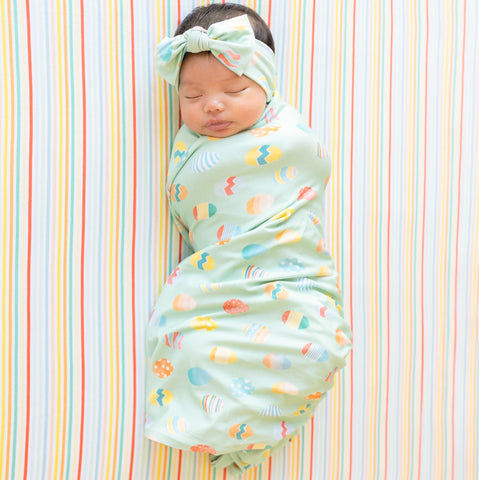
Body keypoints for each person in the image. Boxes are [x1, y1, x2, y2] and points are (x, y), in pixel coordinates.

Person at [146, 3, 352, 474]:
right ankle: (227, 430)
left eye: (234, 89)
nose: (213, 105)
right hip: (223, 279)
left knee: (318, 345)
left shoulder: (289, 137)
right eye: (192, 95)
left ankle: (257, 429)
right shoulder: (191, 146)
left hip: (292, 275)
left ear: (265, 83)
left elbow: (309, 163)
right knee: (192, 345)